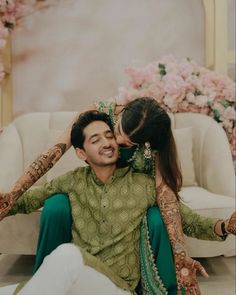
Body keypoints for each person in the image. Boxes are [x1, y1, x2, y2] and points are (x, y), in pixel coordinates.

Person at [0, 98, 235, 293]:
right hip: (81, 280)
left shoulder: (143, 186)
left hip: (117, 287)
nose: (115, 142)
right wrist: (10, 197)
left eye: (126, 141)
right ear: (80, 152)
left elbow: (182, 215)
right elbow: (31, 196)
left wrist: (223, 227)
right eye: (101, 137)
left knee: (66, 256)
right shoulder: (73, 180)